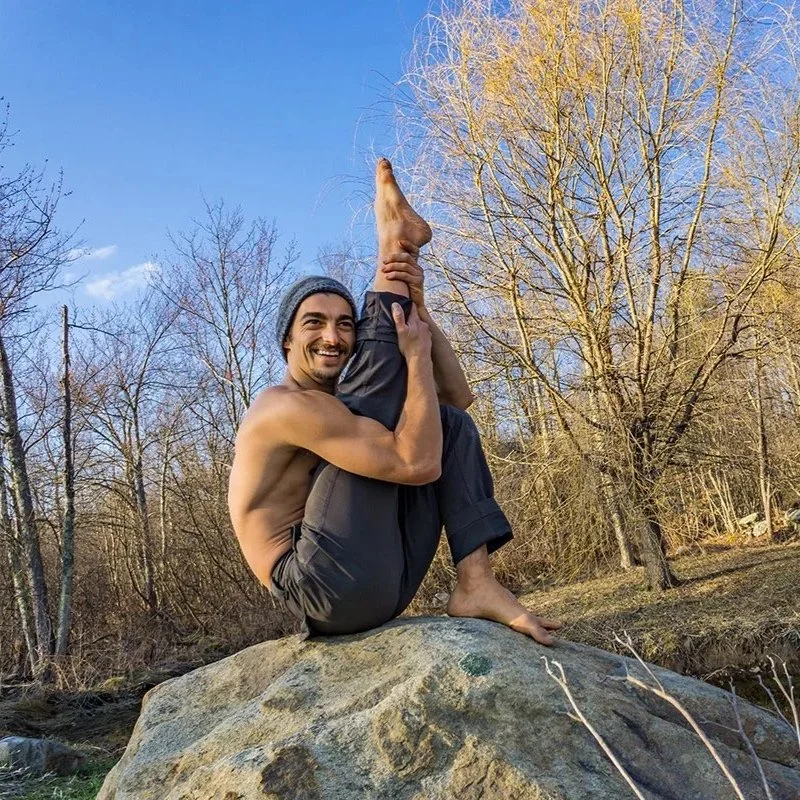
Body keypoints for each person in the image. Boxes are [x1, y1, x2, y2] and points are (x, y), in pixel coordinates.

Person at [228, 158, 561, 645]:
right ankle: (394, 243)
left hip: (385, 578)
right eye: (314, 323)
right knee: (388, 425)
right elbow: (416, 464)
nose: (333, 337)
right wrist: (412, 353)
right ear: (286, 341)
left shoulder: (341, 407)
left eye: (346, 325)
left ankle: (476, 583)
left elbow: (457, 399)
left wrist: (419, 314)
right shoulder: (283, 407)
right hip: (322, 586)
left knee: (448, 425)